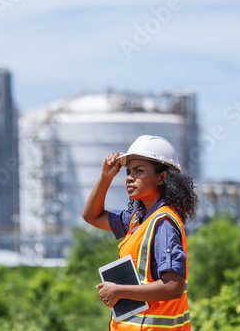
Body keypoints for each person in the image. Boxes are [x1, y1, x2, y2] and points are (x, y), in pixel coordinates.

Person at [82, 135, 197, 330]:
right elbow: (91, 216)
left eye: (139, 171)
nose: (129, 177)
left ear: (161, 178)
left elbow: (173, 287)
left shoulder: (163, 223)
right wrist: (106, 177)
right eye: (128, 172)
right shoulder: (137, 219)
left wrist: (119, 291)